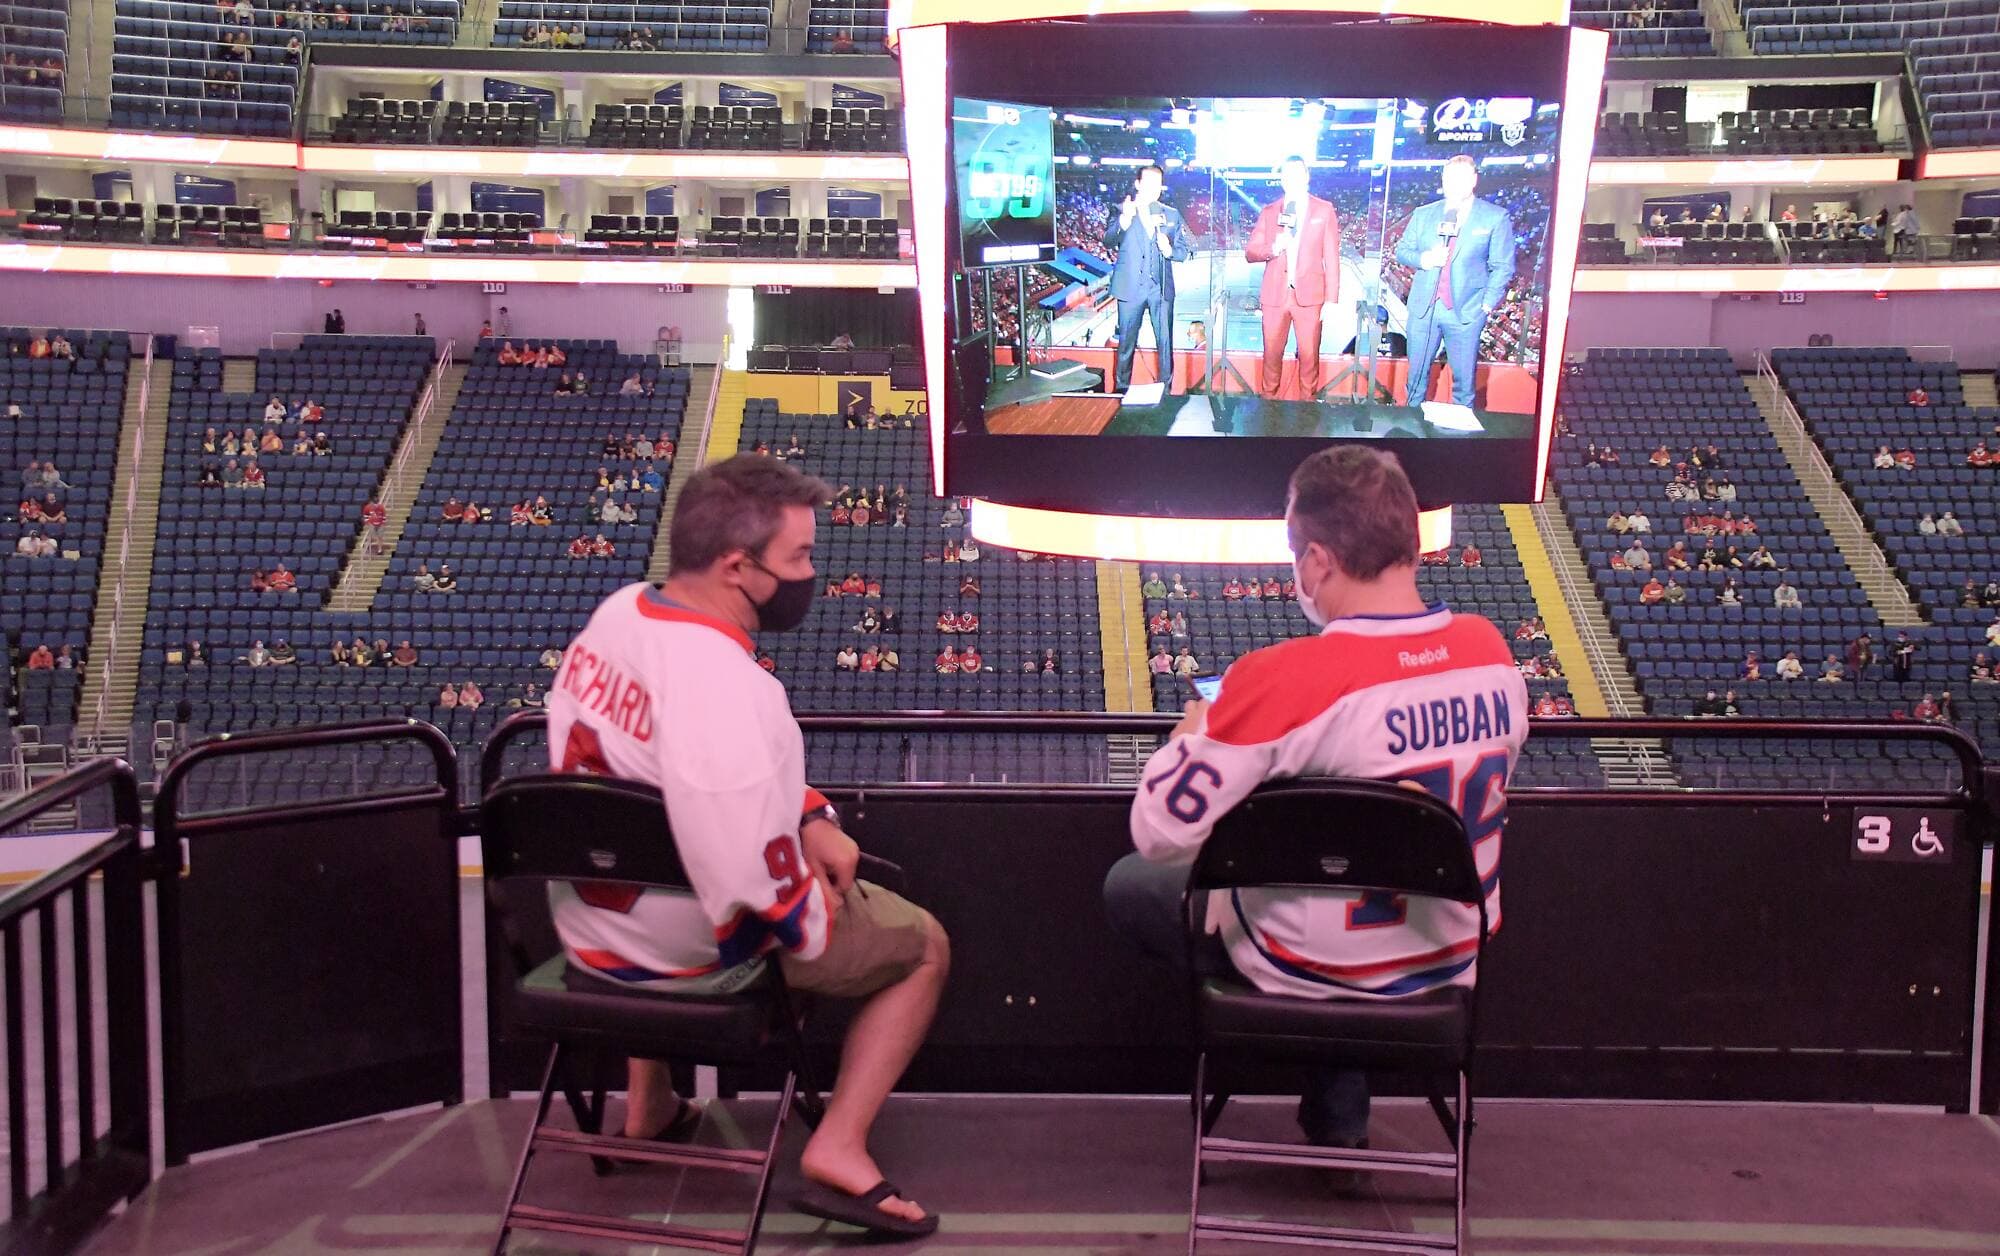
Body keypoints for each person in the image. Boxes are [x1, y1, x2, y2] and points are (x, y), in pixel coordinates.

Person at [544, 455, 946, 1234]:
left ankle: (651, 1105)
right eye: (797, 557)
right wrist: (821, 907)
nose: (810, 573)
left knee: (661, 863)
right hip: (685, 954)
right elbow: (755, 903)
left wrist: (807, 812)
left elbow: (676, 765)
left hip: (591, 936)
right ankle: (838, 1147)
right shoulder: (733, 687)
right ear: (737, 567)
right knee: (926, 945)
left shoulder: (620, 613)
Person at [1107, 446, 1527, 1164]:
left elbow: (1157, 831)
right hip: (1450, 962)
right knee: (1340, 871)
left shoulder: (1285, 678)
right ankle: (1339, 1110)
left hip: (1309, 963)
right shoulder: (1493, 653)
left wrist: (1190, 736)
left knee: (1133, 885)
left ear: (1319, 561)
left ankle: (1325, 1074)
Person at [1395, 155, 1518, 409]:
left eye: (1461, 178)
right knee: (1416, 380)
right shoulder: (1423, 214)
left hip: (1466, 312)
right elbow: (1402, 251)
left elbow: (1502, 266)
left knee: (1463, 385)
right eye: (1450, 178)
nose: (1454, 184)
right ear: (1443, 180)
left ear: (1474, 180)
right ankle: (1409, 436)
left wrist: (1485, 306)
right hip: (1424, 310)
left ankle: (1460, 442)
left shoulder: (1494, 217)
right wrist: (1425, 259)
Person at [1244, 156, 1341, 398]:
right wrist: (1274, 248)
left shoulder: (1324, 209)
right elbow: (1251, 252)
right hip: (1275, 297)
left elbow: (1332, 257)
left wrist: (1331, 300)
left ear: (1307, 176)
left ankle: (1307, 414)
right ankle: (1268, 409)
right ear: (1281, 180)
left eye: (1297, 173)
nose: (1292, 179)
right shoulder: (1269, 212)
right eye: (1287, 174)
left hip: (1310, 298)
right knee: (1271, 357)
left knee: (1309, 359)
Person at [1102, 164, 1192, 394]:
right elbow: (1108, 240)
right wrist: (1124, 219)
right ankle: (1121, 390)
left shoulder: (1170, 214)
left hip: (1160, 290)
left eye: (1158, 184)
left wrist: (1169, 250)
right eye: (1148, 183)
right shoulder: (1121, 209)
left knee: (1165, 344)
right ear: (1138, 184)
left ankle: (1166, 390)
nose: (1154, 188)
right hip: (1130, 287)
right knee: (1126, 345)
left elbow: (1184, 250)